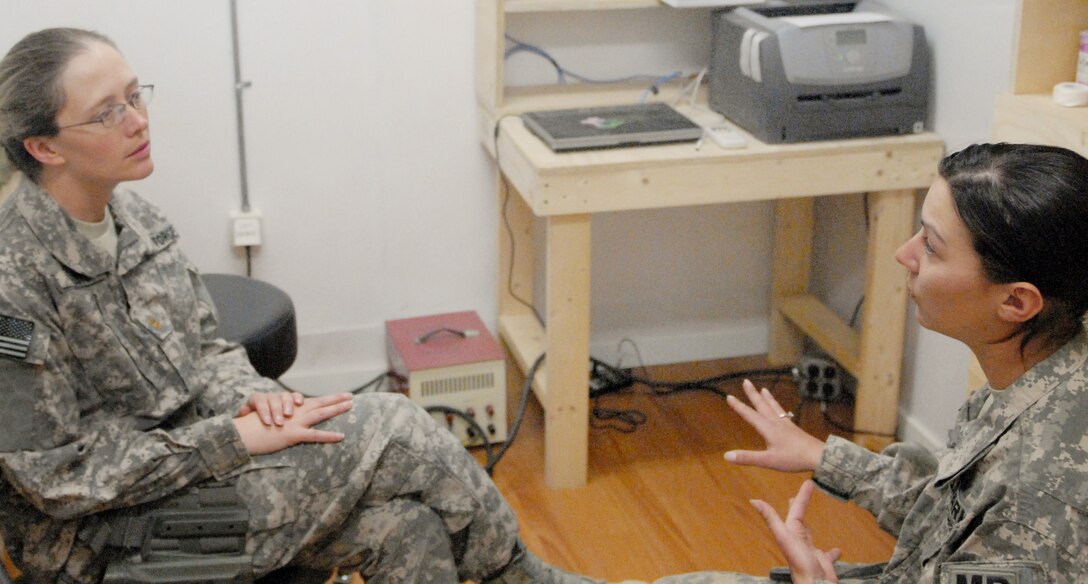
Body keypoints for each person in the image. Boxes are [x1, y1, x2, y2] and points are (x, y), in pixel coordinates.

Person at [0, 27, 624, 584]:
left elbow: (207, 347)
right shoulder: (12, 280)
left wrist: (250, 394)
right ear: (45, 148)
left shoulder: (135, 218)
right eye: (108, 113)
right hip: (95, 538)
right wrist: (229, 439)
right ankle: (522, 576)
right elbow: (54, 478)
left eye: (137, 96)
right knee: (396, 430)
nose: (138, 120)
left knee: (408, 530)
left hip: (185, 468)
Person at [655, 142, 1088, 584]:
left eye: (932, 247)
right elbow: (949, 515)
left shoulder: (1035, 504)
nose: (905, 253)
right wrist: (822, 456)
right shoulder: (1044, 367)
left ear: (1016, 300)